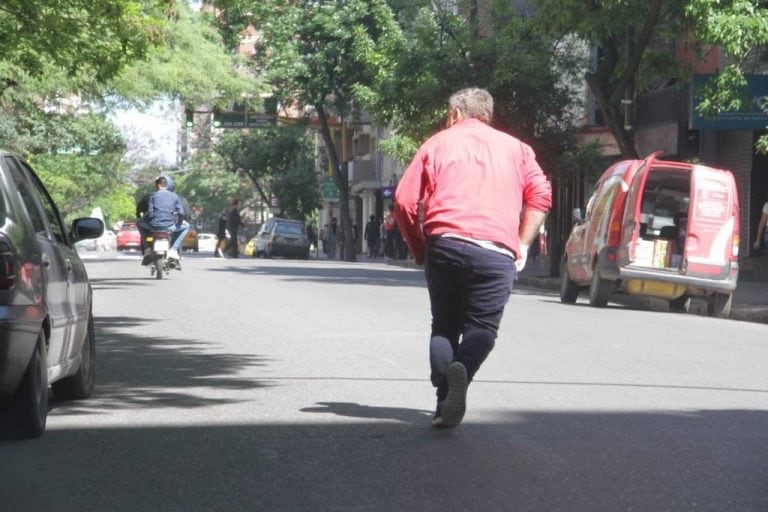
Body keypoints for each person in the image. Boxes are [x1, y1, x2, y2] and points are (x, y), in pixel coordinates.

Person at [394, 87, 552, 429]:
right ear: (488, 115)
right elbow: (541, 195)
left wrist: (420, 249)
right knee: (482, 328)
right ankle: (461, 372)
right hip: (495, 253)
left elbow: (404, 200)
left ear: (454, 114)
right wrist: (522, 243)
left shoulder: (436, 143)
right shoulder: (519, 149)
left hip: (445, 245)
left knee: (445, 325)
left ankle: (446, 395)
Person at [137, 176, 186, 264]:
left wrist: (147, 220)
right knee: (187, 226)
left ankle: (147, 249)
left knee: (138, 222)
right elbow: (181, 213)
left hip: (154, 226)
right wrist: (180, 222)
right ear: (166, 185)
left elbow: (151, 212)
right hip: (169, 227)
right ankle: (173, 250)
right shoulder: (174, 196)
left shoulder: (153, 195)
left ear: (158, 185)